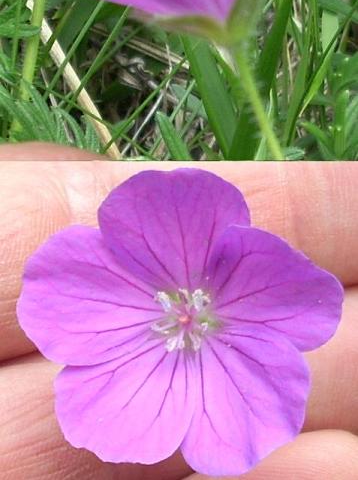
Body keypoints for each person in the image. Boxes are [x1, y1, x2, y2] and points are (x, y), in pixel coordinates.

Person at [0, 144, 357, 479]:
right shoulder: (79, 285)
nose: (185, 318)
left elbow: (295, 288)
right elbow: (59, 289)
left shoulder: (275, 291)